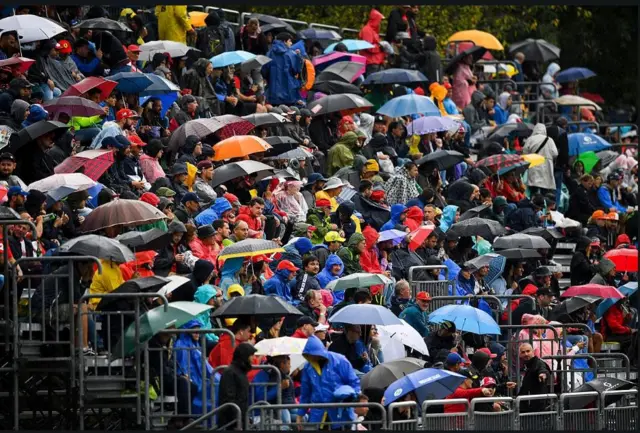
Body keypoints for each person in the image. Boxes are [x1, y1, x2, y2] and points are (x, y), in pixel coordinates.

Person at [296, 336, 361, 428]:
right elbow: (305, 393)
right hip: (318, 416)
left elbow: (354, 383)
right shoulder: (308, 367)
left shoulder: (340, 361)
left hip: (341, 414)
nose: (311, 357)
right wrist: (300, 414)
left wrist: (352, 398)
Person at [217, 343, 258, 429]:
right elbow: (228, 399)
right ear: (245, 356)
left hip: (240, 420)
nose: (254, 359)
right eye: (252, 356)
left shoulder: (241, 372)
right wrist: (237, 420)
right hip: (231, 423)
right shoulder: (230, 372)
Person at [263, 32, 302, 106]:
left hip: (273, 94)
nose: (291, 43)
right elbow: (296, 70)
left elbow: (264, 71)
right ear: (284, 41)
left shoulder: (269, 53)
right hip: (289, 93)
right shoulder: (291, 54)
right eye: (290, 41)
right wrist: (298, 57)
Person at [523, 124, 558, 194]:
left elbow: (525, 153)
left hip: (534, 167)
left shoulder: (530, 139)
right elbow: (555, 153)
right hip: (547, 168)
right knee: (545, 190)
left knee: (534, 189)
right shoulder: (549, 140)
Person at [516, 343, 553, 412]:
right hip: (528, 405)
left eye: (528, 351)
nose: (526, 354)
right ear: (520, 355)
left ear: (533, 351)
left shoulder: (538, 363)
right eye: (523, 352)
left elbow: (543, 369)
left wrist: (543, 374)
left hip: (537, 407)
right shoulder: (527, 365)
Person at [359, 9, 386, 75]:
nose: (380, 23)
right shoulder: (367, 30)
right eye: (379, 20)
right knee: (372, 83)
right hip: (371, 63)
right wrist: (380, 47)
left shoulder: (373, 30)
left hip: (376, 62)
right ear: (376, 19)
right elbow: (368, 46)